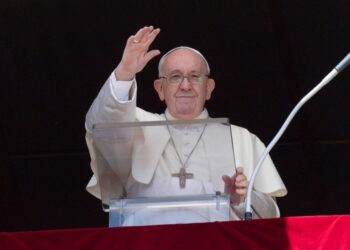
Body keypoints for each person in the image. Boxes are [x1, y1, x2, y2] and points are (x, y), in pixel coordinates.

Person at [85, 26, 287, 222]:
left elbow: (271, 216)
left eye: (195, 76)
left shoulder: (241, 138)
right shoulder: (135, 126)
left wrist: (242, 200)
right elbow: (100, 128)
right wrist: (125, 72)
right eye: (175, 77)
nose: (185, 85)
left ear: (209, 88)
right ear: (160, 89)